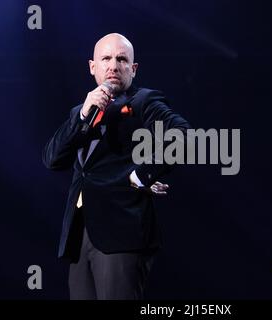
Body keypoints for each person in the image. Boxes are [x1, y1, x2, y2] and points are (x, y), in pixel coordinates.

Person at [42, 33, 190, 300]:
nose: (113, 65)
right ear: (92, 67)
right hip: (79, 235)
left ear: (132, 69)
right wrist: (84, 115)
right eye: (106, 58)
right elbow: (53, 159)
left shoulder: (143, 101)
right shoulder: (80, 111)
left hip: (121, 232)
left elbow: (184, 136)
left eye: (121, 59)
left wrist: (140, 176)